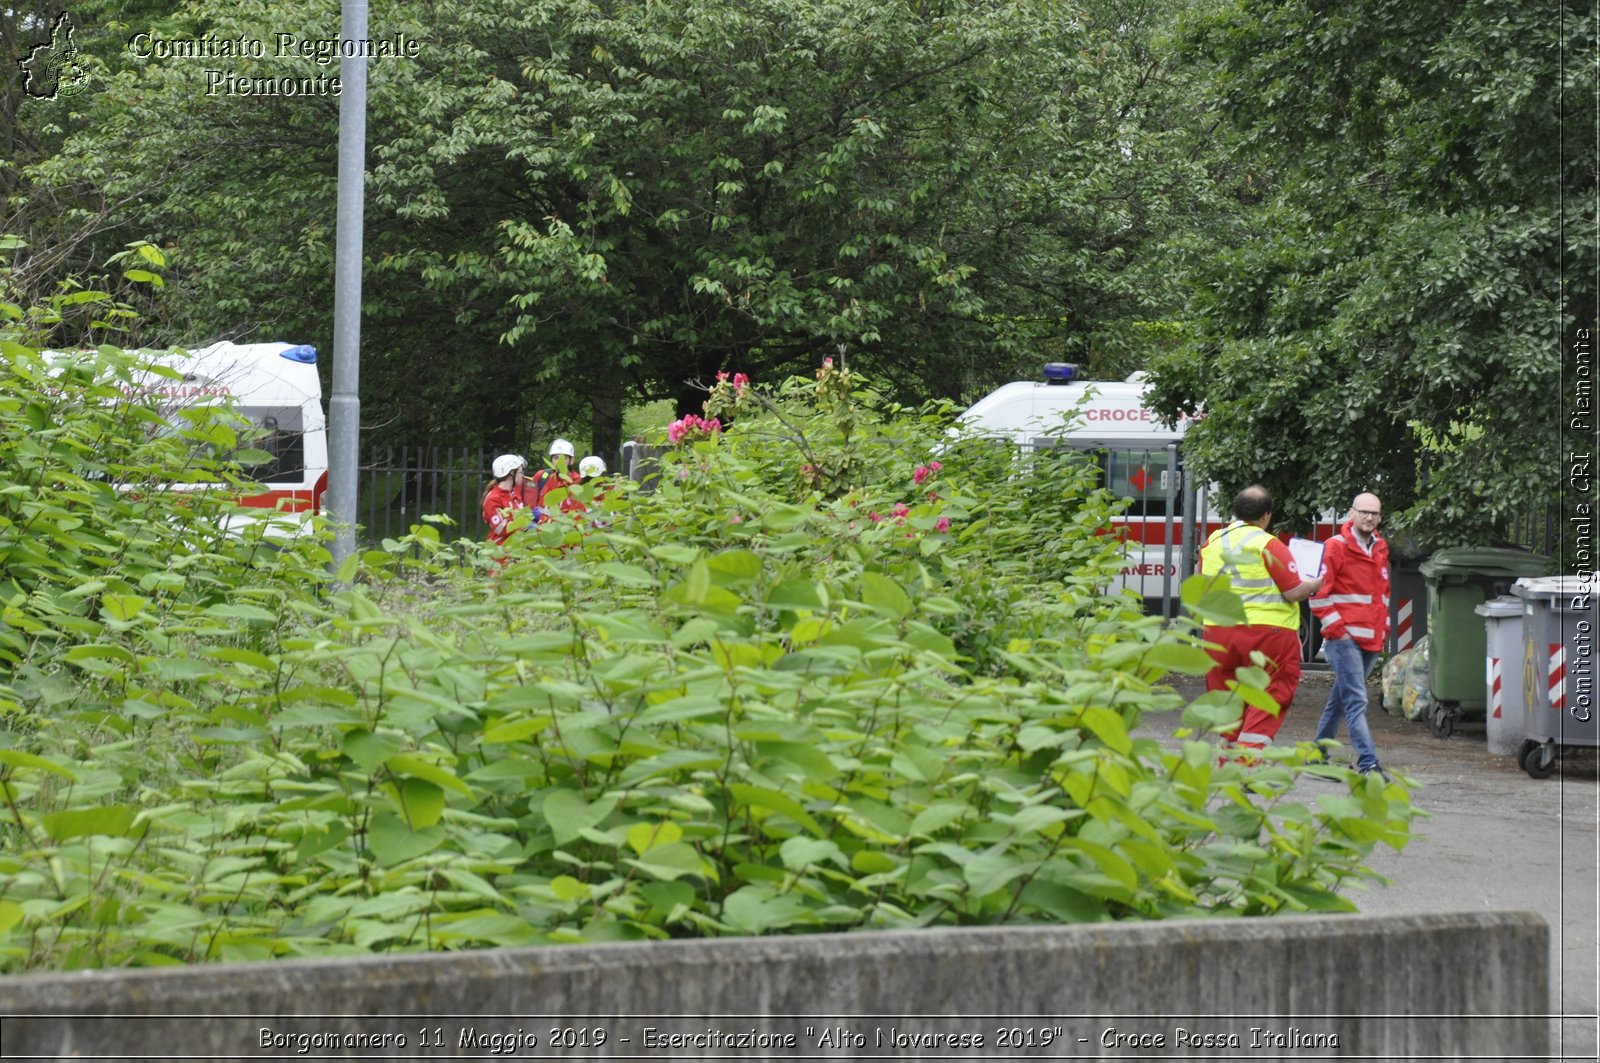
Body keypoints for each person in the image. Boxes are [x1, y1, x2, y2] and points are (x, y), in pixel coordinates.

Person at [1198, 485, 1325, 757]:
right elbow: (1293, 591)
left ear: (1235, 510)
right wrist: (1315, 583)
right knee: (1270, 694)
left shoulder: (1212, 542)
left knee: (1228, 700)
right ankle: (1245, 765)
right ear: (1266, 516)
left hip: (1218, 634)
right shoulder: (1268, 544)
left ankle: (1228, 768)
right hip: (1267, 635)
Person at [1310, 492, 1392, 778]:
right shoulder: (1335, 546)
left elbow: (1381, 593)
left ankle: (1315, 756)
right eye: (1364, 512)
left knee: (1342, 700)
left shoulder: (1380, 547)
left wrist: (1384, 628)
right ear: (1351, 513)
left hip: (1371, 637)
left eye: (1374, 513)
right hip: (1344, 640)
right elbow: (1318, 593)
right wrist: (1338, 631)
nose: (1369, 517)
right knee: (1357, 701)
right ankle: (1368, 763)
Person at [482, 453, 529, 547]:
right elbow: (501, 528)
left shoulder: (513, 493)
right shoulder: (493, 498)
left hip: (516, 549)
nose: (523, 475)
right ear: (510, 474)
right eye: (520, 472)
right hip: (500, 552)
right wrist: (524, 523)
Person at [527, 438, 578, 521]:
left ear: (571, 460)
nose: (559, 462)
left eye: (563, 458)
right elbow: (527, 502)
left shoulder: (577, 481)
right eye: (555, 458)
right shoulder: (542, 476)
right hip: (541, 530)